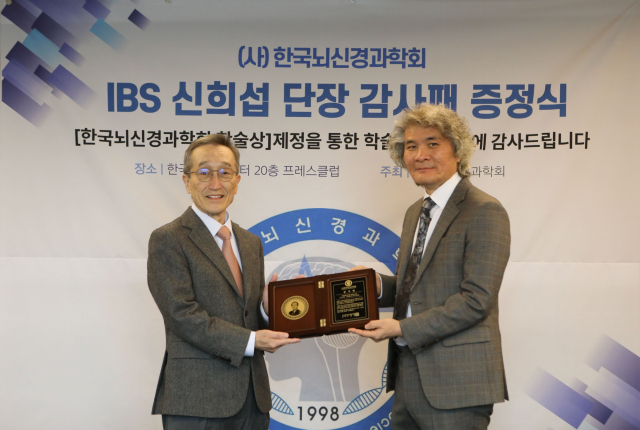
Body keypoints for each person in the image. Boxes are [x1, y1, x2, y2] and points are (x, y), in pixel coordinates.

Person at [349, 104, 510, 429]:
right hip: (408, 375)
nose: (420, 155)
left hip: (458, 382)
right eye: (411, 146)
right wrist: (375, 285)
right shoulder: (416, 212)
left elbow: (476, 300)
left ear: (458, 150)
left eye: (432, 143)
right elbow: (415, 287)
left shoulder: (484, 210)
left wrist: (401, 329)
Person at [147, 134, 300, 430]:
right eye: (204, 172)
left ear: (237, 181)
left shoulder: (251, 242)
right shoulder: (168, 239)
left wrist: (268, 309)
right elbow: (182, 315)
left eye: (225, 173)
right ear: (187, 181)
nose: (215, 183)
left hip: (253, 399)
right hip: (197, 400)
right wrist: (251, 341)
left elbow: (247, 315)